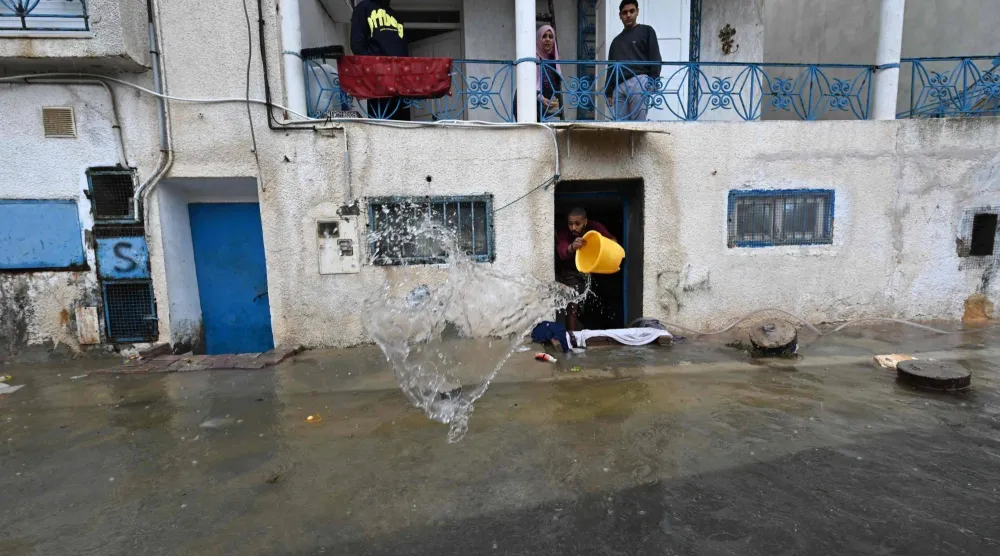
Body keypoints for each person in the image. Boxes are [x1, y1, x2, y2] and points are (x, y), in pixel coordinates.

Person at [555, 207, 617, 330]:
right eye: (570, 224)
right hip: (570, 273)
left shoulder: (594, 228)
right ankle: (572, 336)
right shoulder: (564, 232)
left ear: (585, 222)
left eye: (577, 224)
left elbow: (613, 241)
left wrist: (601, 247)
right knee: (572, 305)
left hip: (591, 271)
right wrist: (572, 247)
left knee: (594, 303)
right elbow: (562, 252)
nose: (573, 227)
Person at [350, 0, 410, 121]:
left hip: (400, 81)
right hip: (377, 79)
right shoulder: (363, 8)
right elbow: (357, 44)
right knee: (381, 124)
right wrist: (373, 66)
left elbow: (403, 48)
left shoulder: (394, 15)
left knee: (403, 127)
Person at [604, 0, 662, 121]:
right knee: (621, 126)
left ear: (637, 12)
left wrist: (653, 81)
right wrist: (608, 91)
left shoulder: (646, 31)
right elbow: (611, 68)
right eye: (625, 12)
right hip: (619, 86)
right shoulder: (616, 42)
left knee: (638, 124)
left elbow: (655, 57)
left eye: (632, 11)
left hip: (639, 81)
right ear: (620, 15)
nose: (628, 15)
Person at [537, 25, 564, 121]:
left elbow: (556, 84)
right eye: (544, 36)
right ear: (539, 39)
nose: (547, 39)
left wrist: (554, 97)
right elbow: (528, 83)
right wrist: (540, 97)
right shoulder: (533, 58)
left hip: (545, 107)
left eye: (550, 36)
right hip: (529, 103)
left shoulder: (553, 61)